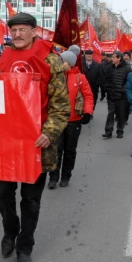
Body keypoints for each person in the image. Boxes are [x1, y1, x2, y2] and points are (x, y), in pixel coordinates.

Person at [0, 13, 70, 262]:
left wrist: (50, 132)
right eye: (15, 30)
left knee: (31, 200)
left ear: (34, 31)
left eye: (24, 29)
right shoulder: (3, 58)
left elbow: (61, 106)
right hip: (7, 141)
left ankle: (25, 246)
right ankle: (9, 231)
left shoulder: (51, 60)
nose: (19, 34)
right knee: (2, 193)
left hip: (37, 142)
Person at [48, 51, 94, 189]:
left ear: (71, 63)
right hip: (57, 120)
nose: (61, 63)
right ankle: (53, 177)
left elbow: (88, 95)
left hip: (74, 120)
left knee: (70, 150)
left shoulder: (80, 78)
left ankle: (66, 176)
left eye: (64, 61)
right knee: (56, 149)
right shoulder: (55, 76)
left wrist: (87, 112)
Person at [102, 51, 131, 139]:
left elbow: (129, 81)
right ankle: (108, 131)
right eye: (112, 57)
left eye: (114, 57)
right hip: (111, 94)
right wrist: (106, 88)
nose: (112, 59)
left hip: (122, 96)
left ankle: (120, 131)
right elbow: (106, 79)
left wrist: (124, 89)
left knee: (121, 114)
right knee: (110, 113)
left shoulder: (127, 68)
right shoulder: (110, 67)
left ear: (119, 58)